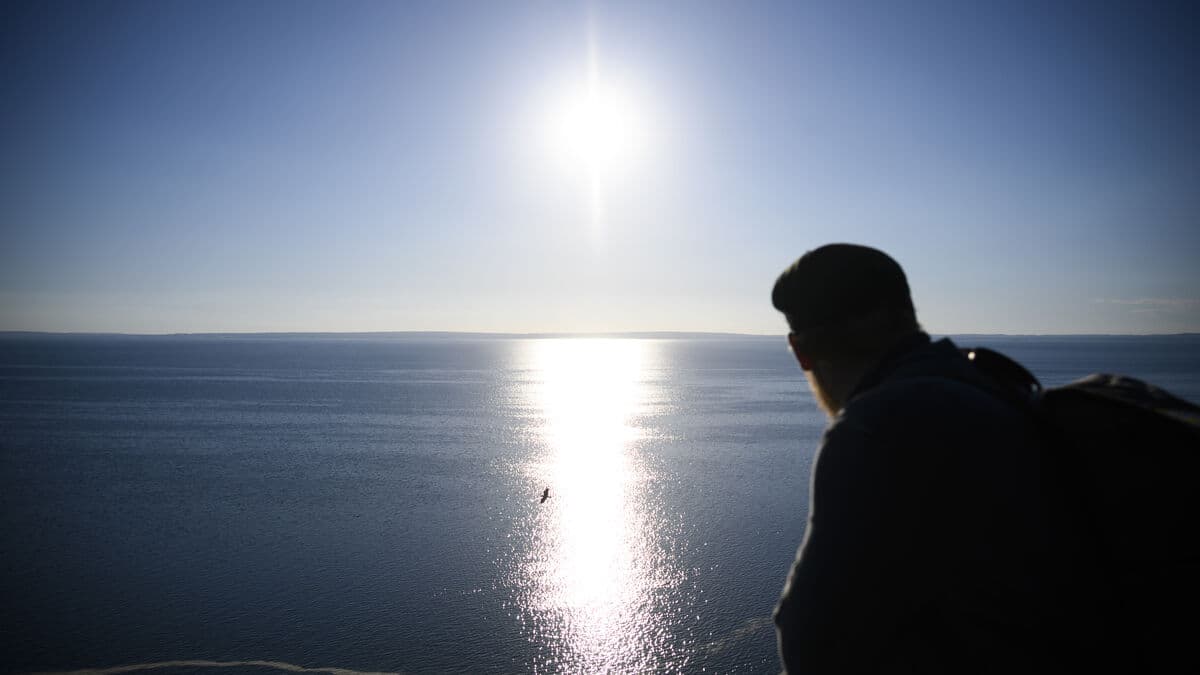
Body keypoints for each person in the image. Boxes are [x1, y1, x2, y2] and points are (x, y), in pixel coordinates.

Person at [769, 244, 1105, 674]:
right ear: (907, 315)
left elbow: (813, 643)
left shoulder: (874, 427)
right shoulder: (992, 384)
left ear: (800, 351)